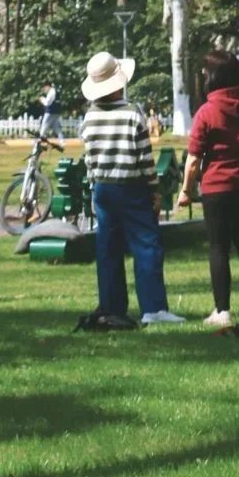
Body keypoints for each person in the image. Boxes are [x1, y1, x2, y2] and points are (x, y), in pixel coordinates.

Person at [80, 49, 184, 327]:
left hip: (103, 187)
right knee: (146, 245)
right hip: (131, 186)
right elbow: (144, 157)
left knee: (108, 248)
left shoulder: (89, 117)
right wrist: (154, 190)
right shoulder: (132, 112)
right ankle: (153, 307)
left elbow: (89, 159)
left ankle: (112, 306)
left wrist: (94, 189)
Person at [176, 49, 239, 328]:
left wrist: (186, 190)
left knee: (219, 248)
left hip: (217, 186)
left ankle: (222, 310)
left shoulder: (207, 112)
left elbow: (194, 158)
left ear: (212, 77)